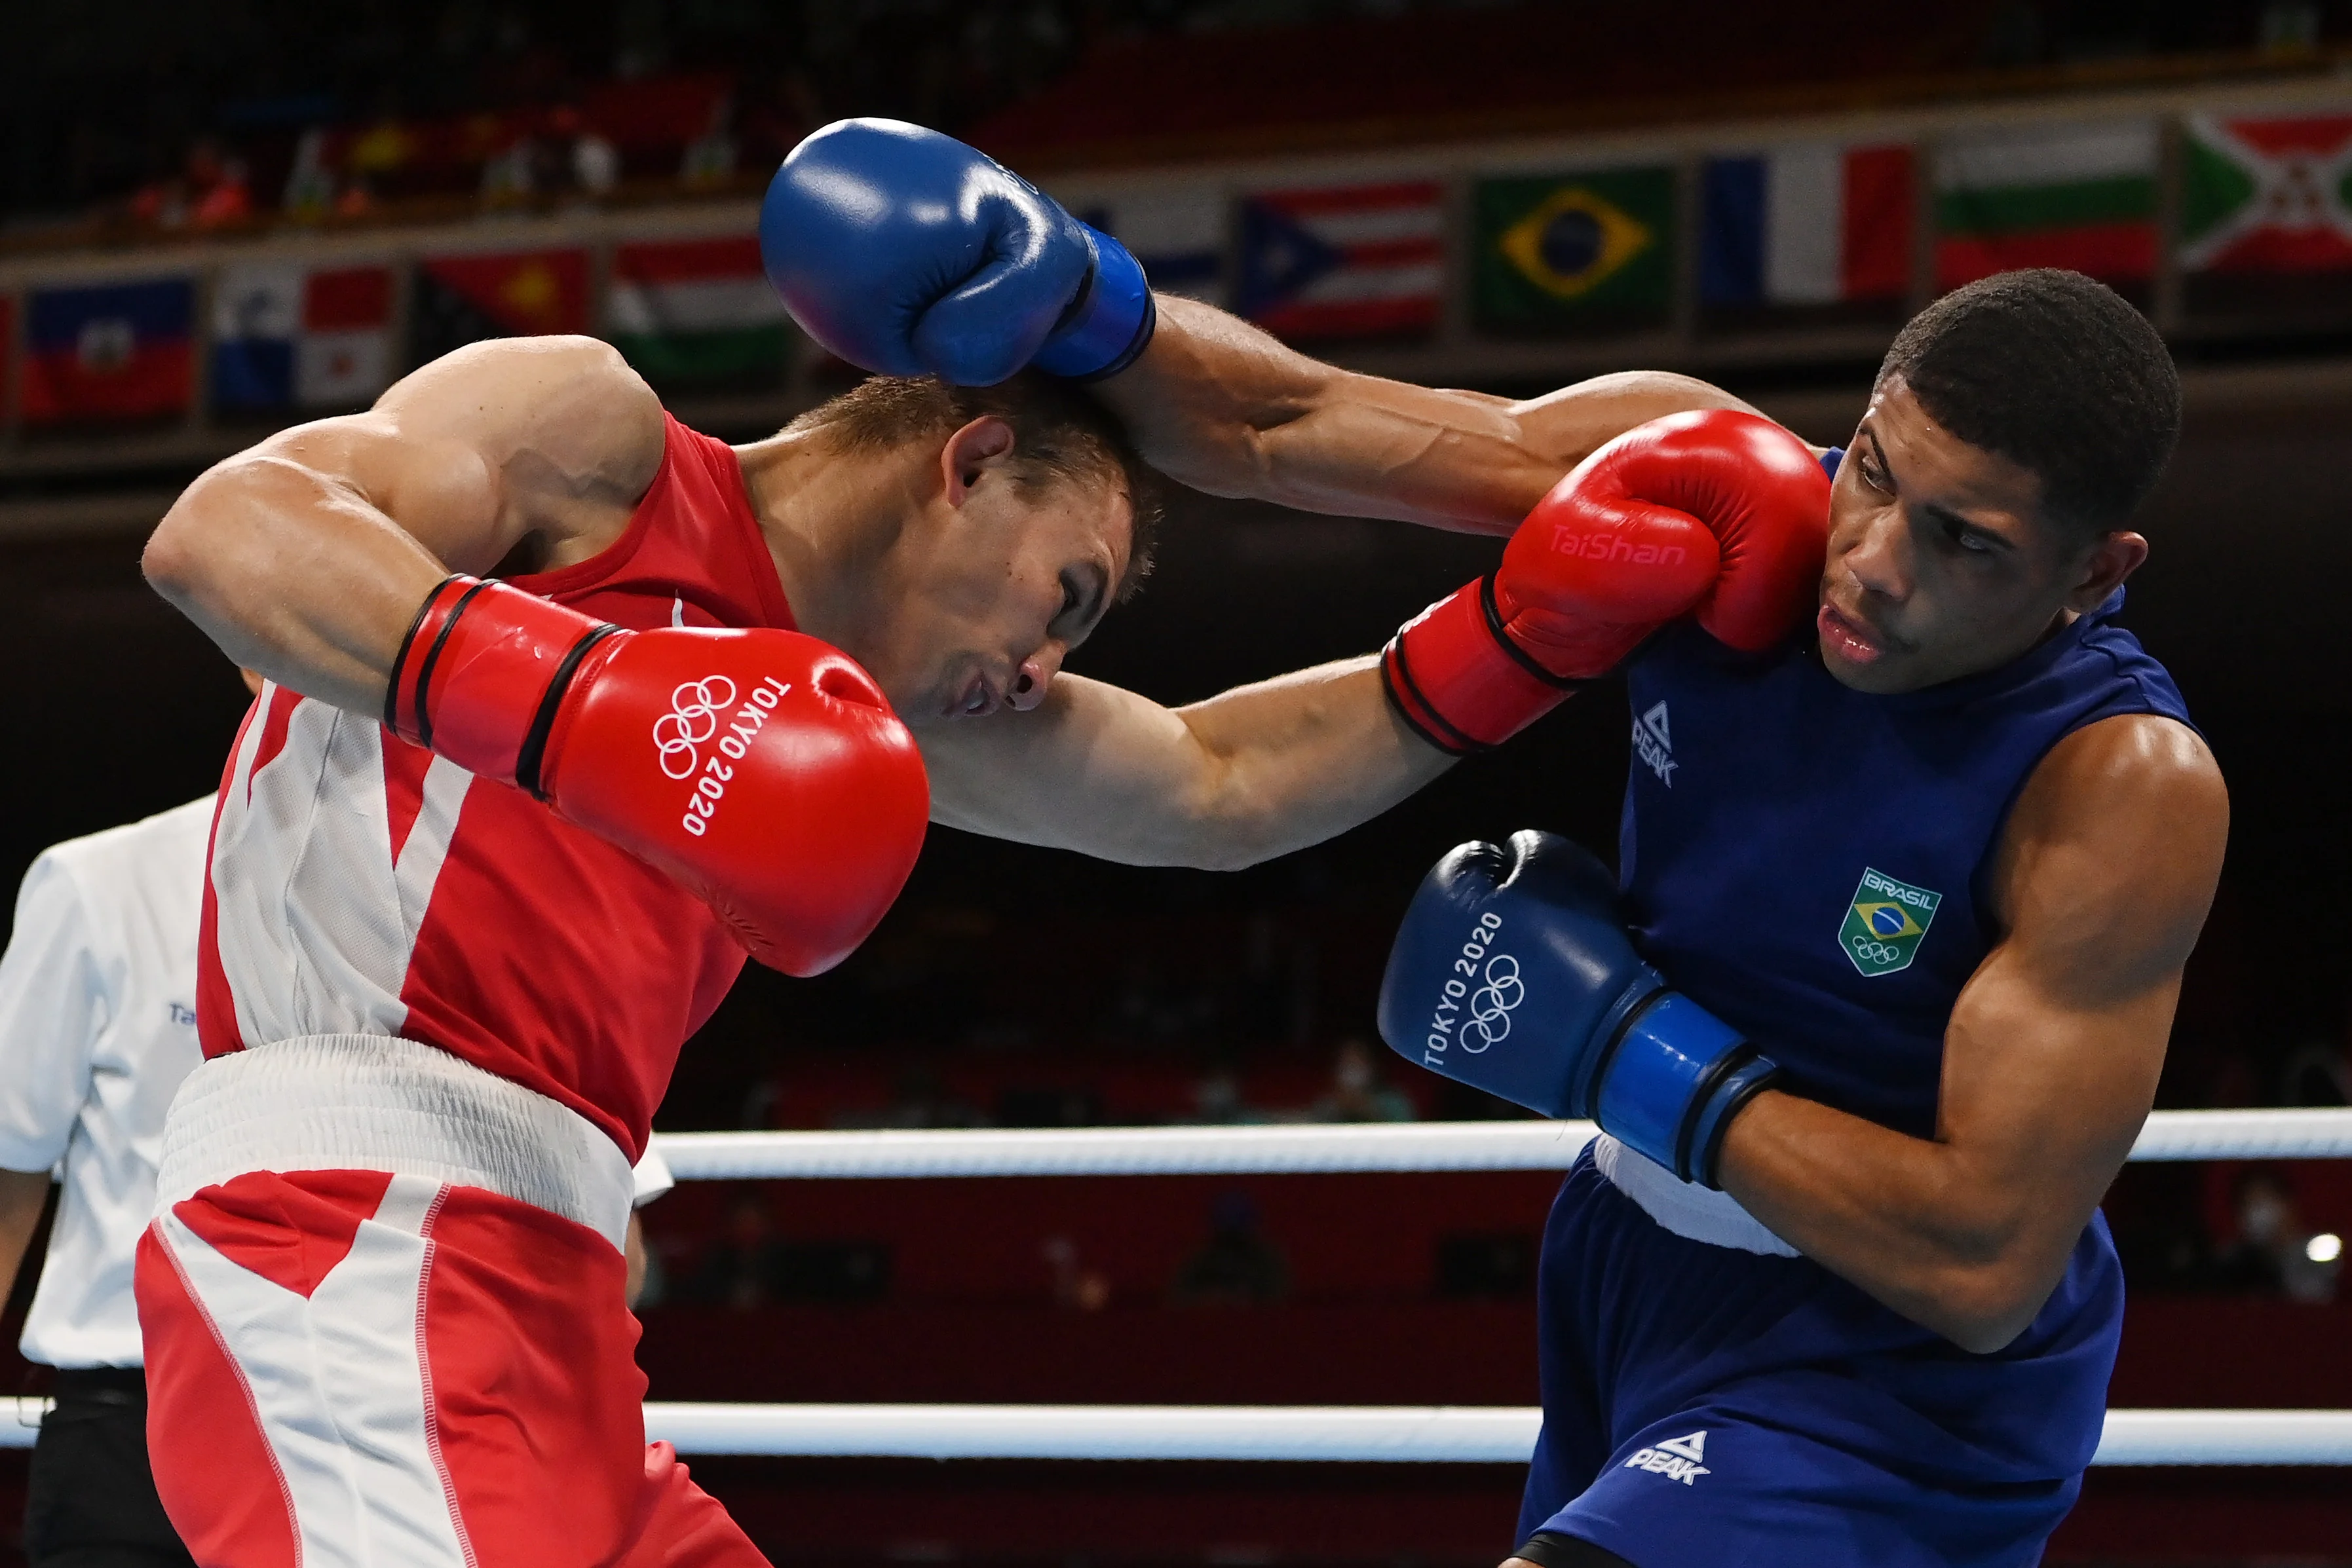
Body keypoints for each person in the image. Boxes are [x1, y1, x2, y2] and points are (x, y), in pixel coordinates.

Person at [136, 144, 1743, 1563]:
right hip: (349, 1226)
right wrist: (587, 700)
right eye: (1064, 597)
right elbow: (227, 533)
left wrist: (1521, 633)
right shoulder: (597, 448)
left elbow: (1219, 783)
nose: (1043, 669)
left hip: (548, 1290)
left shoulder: (861, 718)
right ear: (967, 463)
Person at [764, 122, 2226, 1565]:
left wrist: (1631, 1053)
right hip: (1624, 1263)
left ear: (2094, 574)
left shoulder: (2113, 783)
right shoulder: (1720, 488)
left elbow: (1981, 1262)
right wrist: (1088, 299)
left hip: (1894, 1371)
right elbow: (1284, 423)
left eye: (1967, 541)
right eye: (1880, 474)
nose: (1877, 562)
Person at [0, 770, 677, 1568]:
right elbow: (10, 1169)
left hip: (422, 1425)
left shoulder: (517, 901)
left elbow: (616, 1246)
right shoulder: (103, 884)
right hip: (142, 1430)